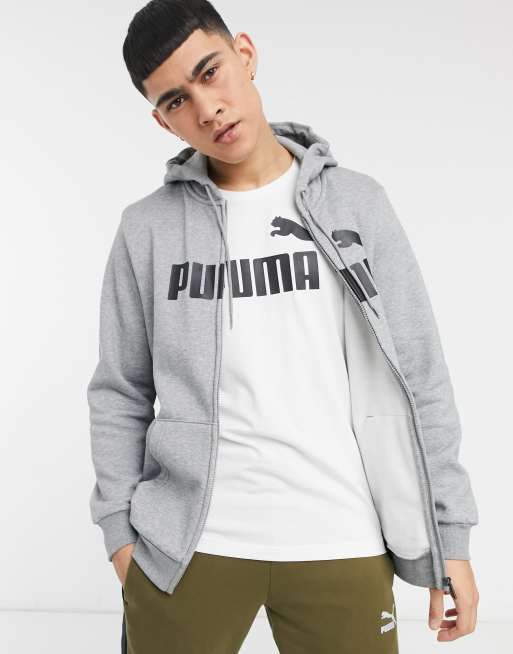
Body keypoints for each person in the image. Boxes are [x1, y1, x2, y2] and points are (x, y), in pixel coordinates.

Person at [86, 1, 480, 652]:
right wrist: (120, 539)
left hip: (341, 535)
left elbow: (418, 371)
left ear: (244, 53)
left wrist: (449, 539)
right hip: (186, 549)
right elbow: (120, 392)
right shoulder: (146, 229)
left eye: (210, 72)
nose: (207, 108)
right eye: (177, 100)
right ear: (161, 120)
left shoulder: (356, 203)